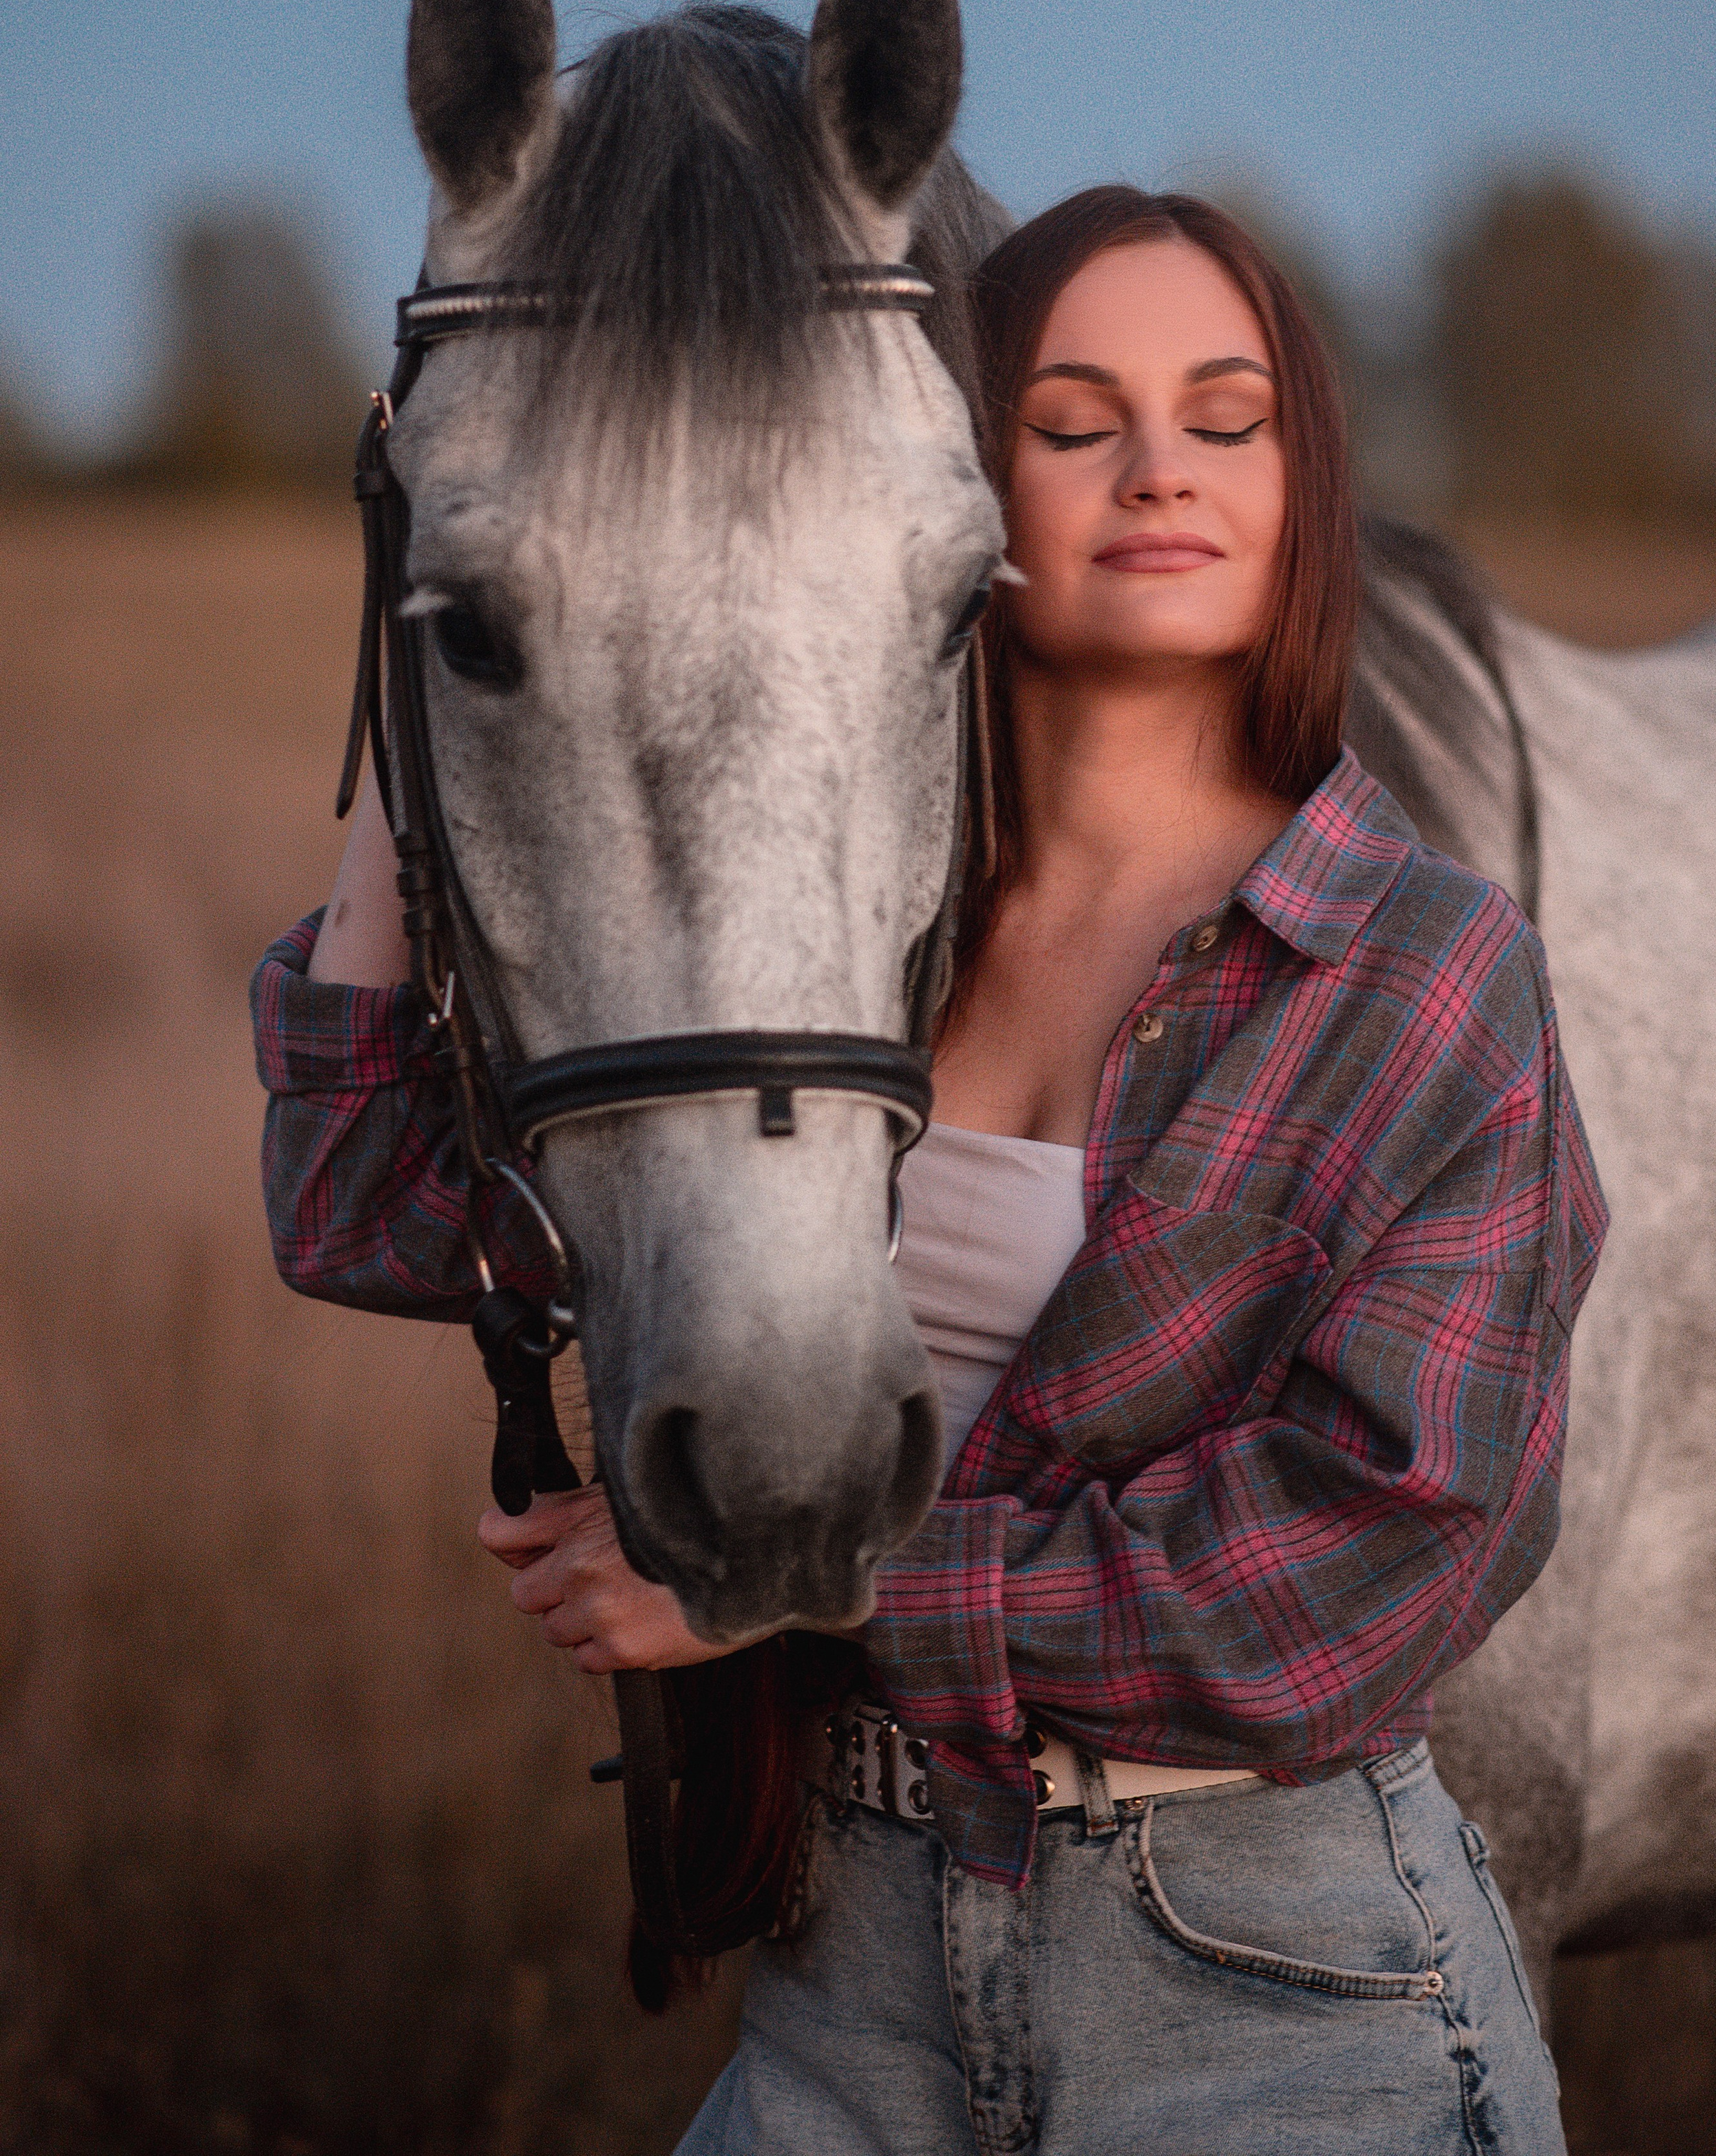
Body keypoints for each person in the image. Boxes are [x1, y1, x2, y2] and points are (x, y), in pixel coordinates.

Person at [253, 186, 1604, 2155]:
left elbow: (1352, 1581)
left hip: (1278, 1998)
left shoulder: (1422, 971)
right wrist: (425, 671)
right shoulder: (847, 958)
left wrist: (788, 1598)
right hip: (848, 1993)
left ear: (1300, 485)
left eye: (1228, 420)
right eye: (1076, 422)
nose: (1162, 470)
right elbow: (372, 1209)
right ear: (955, 488)